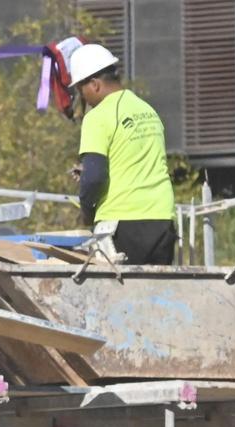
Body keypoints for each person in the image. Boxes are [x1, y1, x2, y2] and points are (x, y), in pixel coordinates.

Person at [68, 43, 177, 265]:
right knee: (157, 296)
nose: (83, 98)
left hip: (123, 224)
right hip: (162, 220)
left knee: (119, 297)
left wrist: (87, 213)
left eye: (81, 90)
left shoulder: (97, 117)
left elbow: (95, 177)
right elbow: (134, 160)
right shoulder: (147, 111)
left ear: (95, 84)